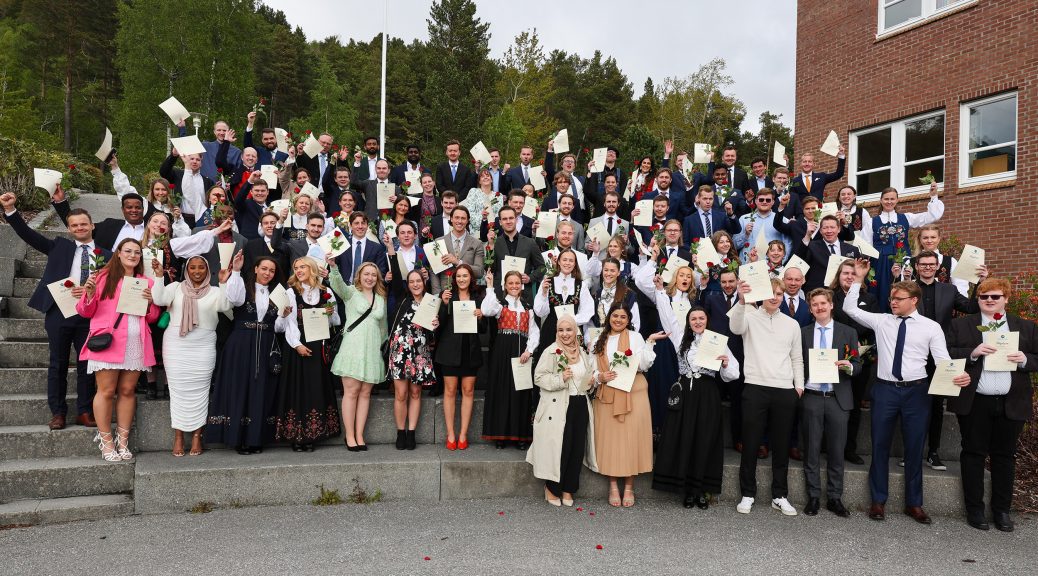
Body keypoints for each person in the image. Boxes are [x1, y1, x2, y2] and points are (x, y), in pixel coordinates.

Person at [841, 259, 970, 525]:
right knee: (879, 446)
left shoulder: (931, 327)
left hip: (916, 393)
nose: (892, 303)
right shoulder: (882, 321)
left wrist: (958, 375)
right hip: (885, 391)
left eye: (898, 299)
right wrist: (858, 279)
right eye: (891, 298)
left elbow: (943, 360)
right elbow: (849, 308)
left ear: (914, 300)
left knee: (914, 448)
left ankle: (915, 503)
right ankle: (878, 501)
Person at [1, 191, 107, 430]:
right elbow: (28, 235)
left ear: (92, 225)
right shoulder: (59, 247)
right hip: (59, 312)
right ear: (69, 229)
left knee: (87, 365)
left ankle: (84, 411)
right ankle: (58, 412)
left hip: (91, 314)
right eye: (74, 225)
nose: (79, 228)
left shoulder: (106, 254)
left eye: (83, 224)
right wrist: (10, 211)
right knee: (57, 363)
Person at [946, 277, 1038, 532]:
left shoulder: (1026, 327)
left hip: (1011, 402)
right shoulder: (961, 325)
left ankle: (1002, 511)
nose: (989, 300)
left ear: (1006, 299)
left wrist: (1025, 359)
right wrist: (972, 353)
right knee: (973, 454)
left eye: (995, 296)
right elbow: (946, 353)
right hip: (975, 401)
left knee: (1005, 456)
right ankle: (975, 510)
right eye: (983, 297)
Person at [897, 250, 983, 471]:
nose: (927, 267)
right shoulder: (906, 289)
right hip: (912, 354)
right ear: (916, 267)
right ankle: (910, 452)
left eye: (931, 264)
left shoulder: (949, 290)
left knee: (936, 406)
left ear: (937, 267)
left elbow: (971, 308)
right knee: (911, 405)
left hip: (939, 356)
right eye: (923, 264)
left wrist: (979, 284)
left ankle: (933, 452)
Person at [76, 238, 160, 461]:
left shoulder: (146, 282)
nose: (133, 255)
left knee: (127, 390)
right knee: (106, 391)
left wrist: (150, 303)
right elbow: (85, 311)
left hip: (136, 341)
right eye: (128, 251)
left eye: (137, 252)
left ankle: (123, 442)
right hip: (109, 340)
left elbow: (153, 317)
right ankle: (106, 442)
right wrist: (89, 294)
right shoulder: (102, 277)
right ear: (119, 253)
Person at [652, 303, 739, 509]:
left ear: (707, 320)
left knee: (704, 439)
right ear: (689, 322)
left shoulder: (717, 341)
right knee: (685, 438)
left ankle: (701, 490)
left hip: (707, 394)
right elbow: (668, 317)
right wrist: (660, 292)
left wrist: (726, 363)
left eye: (701, 318)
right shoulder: (680, 338)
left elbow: (734, 374)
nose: (698, 322)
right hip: (685, 394)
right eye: (693, 319)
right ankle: (687, 491)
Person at [150, 254, 238, 456]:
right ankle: (179, 436)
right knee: (177, 391)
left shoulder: (215, 291)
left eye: (201, 267)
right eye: (193, 268)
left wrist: (223, 282)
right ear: (186, 270)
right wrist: (158, 276)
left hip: (203, 344)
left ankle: (198, 436)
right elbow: (159, 299)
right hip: (176, 344)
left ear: (207, 270)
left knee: (201, 391)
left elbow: (226, 306)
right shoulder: (175, 287)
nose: (197, 271)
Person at [730, 277, 804, 516]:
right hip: (755, 387)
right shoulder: (749, 316)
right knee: (751, 443)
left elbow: (796, 358)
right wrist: (742, 300)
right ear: (762, 295)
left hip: (784, 390)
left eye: (779, 294)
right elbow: (735, 328)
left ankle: (779, 496)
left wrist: (798, 386)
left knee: (781, 446)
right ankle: (747, 494)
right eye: (771, 293)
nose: (775, 297)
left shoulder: (792, 324)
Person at [207, 255, 283, 455]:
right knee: (240, 388)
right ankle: (238, 437)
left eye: (272, 270)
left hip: (265, 343)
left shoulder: (279, 294)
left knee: (261, 389)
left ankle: (255, 438)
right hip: (241, 343)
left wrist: (283, 315)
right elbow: (233, 299)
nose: (267, 273)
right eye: (264, 268)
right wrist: (236, 270)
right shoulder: (242, 285)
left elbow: (279, 327)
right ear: (256, 269)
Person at [591, 303, 666, 507]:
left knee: (632, 440)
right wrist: (599, 376)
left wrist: (649, 343)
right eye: (615, 315)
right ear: (609, 317)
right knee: (611, 442)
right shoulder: (598, 340)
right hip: (607, 395)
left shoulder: (635, 337)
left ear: (628, 320)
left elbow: (643, 365)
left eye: (623, 317)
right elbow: (591, 369)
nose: (618, 320)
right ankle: (613, 486)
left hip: (633, 394)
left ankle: (630, 487)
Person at [799, 288, 861, 517]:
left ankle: (835, 497)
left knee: (836, 451)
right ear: (810, 309)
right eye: (815, 304)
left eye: (823, 303)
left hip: (838, 398)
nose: (820, 307)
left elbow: (858, 364)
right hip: (812, 397)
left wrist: (849, 366)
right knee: (811, 450)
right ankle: (813, 496)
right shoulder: (803, 333)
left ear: (831, 305)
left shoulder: (848, 332)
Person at [272, 257, 342, 452]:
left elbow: (335, 322)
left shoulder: (326, 291)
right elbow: (285, 325)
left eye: (302, 267)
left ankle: (313, 434)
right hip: (297, 345)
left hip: (318, 344)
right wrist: (297, 344)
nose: (299, 270)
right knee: (297, 388)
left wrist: (330, 313)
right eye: (296, 268)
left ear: (312, 268)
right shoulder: (290, 292)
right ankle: (297, 436)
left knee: (315, 387)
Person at [528, 315, 597, 507]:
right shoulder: (551, 351)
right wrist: (560, 378)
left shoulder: (582, 352)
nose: (565, 334)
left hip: (580, 404)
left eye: (569, 330)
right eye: (561, 330)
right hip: (559, 406)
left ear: (575, 331)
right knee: (561, 448)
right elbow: (538, 377)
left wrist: (591, 383)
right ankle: (552, 488)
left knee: (576, 449)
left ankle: (568, 488)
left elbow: (585, 378)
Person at [328, 261, 388, 451]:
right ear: (359, 276)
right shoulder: (351, 292)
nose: (370, 278)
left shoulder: (380, 298)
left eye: (373, 274)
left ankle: (360, 434)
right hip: (353, 348)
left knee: (365, 393)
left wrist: (382, 348)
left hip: (372, 350)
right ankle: (350, 435)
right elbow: (337, 284)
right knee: (351, 392)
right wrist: (334, 267)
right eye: (366, 274)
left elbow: (383, 327)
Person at [862, 183, 944, 312]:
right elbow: (865, 246)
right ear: (881, 200)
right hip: (880, 264)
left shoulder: (906, 218)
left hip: (903, 261)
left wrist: (933, 197)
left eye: (892, 199)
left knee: (904, 292)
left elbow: (931, 217)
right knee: (882, 294)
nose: (889, 202)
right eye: (886, 199)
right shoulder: (872, 222)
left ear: (897, 200)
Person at [481, 270, 540, 449]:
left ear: (521, 285)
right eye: (510, 283)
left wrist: (529, 351)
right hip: (502, 353)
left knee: (521, 393)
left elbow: (534, 332)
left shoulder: (528, 307)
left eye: (517, 283)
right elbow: (486, 310)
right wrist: (489, 286)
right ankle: (500, 434)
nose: (514, 286)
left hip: (521, 354)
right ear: (505, 286)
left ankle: (520, 435)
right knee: (502, 391)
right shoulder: (500, 305)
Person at [829, 259, 879, 465]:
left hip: (860, 361)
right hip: (833, 359)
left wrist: (854, 338)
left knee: (854, 405)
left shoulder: (870, 298)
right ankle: (828, 446)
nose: (849, 276)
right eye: (845, 273)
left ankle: (849, 448)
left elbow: (872, 324)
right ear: (838, 275)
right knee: (831, 404)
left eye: (853, 273)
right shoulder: (830, 297)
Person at [386, 256, 437, 450]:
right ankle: (401, 432)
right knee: (401, 394)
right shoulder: (402, 299)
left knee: (416, 393)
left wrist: (435, 325)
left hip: (420, 353)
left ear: (424, 282)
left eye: (419, 281)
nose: (416, 284)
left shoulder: (431, 302)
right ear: (407, 285)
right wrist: (391, 251)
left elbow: (432, 332)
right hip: (400, 351)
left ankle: (412, 433)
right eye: (412, 281)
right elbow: (395, 271)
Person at [435, 263, 485, 450]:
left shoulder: (478, 297)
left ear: (471, 278)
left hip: (470, 350)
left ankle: (463, 434)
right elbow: (438, 325)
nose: (462, 279)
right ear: (454, 279)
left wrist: (481, 317)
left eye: (465, 276)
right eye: (459, 276)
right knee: (449, 391)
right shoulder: (447, 296)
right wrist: (443, 305)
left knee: (468, 391)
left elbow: (484, 329)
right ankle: (451, 434)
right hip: (449, 350)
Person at [533, 249, 594, 359]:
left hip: (572, 332)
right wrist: (544, 293)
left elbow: (588, 311)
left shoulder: (581, 285)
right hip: (551, 331)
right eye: (564, 260)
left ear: (575, 264)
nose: (567, 263)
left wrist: (571, 321)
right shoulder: (547, 282)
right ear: (559, 262)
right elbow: (540, 312)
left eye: (571, 260)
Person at [54, 191, 146, 252]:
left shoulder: (151, 229)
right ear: (123, 209)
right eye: (129, 207)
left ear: (143, 209)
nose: (134, 210)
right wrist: (61, 202)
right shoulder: (109, 225)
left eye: (138, 207)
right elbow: (78, 225)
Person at [793, 215, 861, 291]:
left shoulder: (852, 249)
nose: (829, 231)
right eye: (825, 228)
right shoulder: (811, 246)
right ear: (820, 231)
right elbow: (799, 259)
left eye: (832, 227)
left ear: (839, 229)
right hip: (818, 292)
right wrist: (808, 235)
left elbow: (859, 272)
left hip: (844, 292)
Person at [430, 206, 485, 294]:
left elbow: (479, 272)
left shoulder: (477, 244)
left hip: (468, 293)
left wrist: (458, 262)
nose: (459, 221)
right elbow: (434, 272)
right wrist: (438, 294)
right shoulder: (439, 242)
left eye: (463, 218)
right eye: (457, 217)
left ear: (467, 221)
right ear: (451, 219)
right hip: (446, 292)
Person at [587, 258, 640, 346]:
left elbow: (635, 322)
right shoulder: (596, 295)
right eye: (606, 270)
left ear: (618, 272)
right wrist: (590, 341)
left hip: (621, 342)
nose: (608, 273)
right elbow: (591, 322)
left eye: (612, 271)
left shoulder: (629, 294)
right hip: (599, 342)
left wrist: (627, 342)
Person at [159, 147, 215, 228]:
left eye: (198, 160)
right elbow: (163, 172)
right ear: (186, 159)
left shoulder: (208, 182)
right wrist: (174, 155)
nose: (194, 161)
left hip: (202, 219)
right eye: (192, 159)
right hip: (181, 218)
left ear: (201, 163)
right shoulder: (178, 175)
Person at [732, 188, 789, 263]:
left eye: (768, 200)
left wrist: (780, 263)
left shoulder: (783, 220)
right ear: (756, 201)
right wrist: (745, 234)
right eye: (761, 200)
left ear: (773, 202)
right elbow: (734, 246)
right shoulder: (744, 219)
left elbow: (788, 245)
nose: (764, 202)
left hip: (772, 265)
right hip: (748, 264)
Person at [910, 224, 969, 296]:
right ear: (920, 239)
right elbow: (903, 287)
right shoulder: (910, 262)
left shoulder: (950, 261)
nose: (929, 240)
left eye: (933, 237)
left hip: (944, 302)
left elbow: (961, 287)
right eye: (925, 238)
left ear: (939, 239)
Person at [460, 168, 503, 240]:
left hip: (494, 232)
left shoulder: (498, 196)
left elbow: (499, 214)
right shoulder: (473, 192)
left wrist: (492, 227)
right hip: (476, 232)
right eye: (482, 176)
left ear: (491, 180)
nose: (485, 177)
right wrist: (482, 223)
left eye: (487, 175)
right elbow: (469, 212)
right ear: (479, 181)